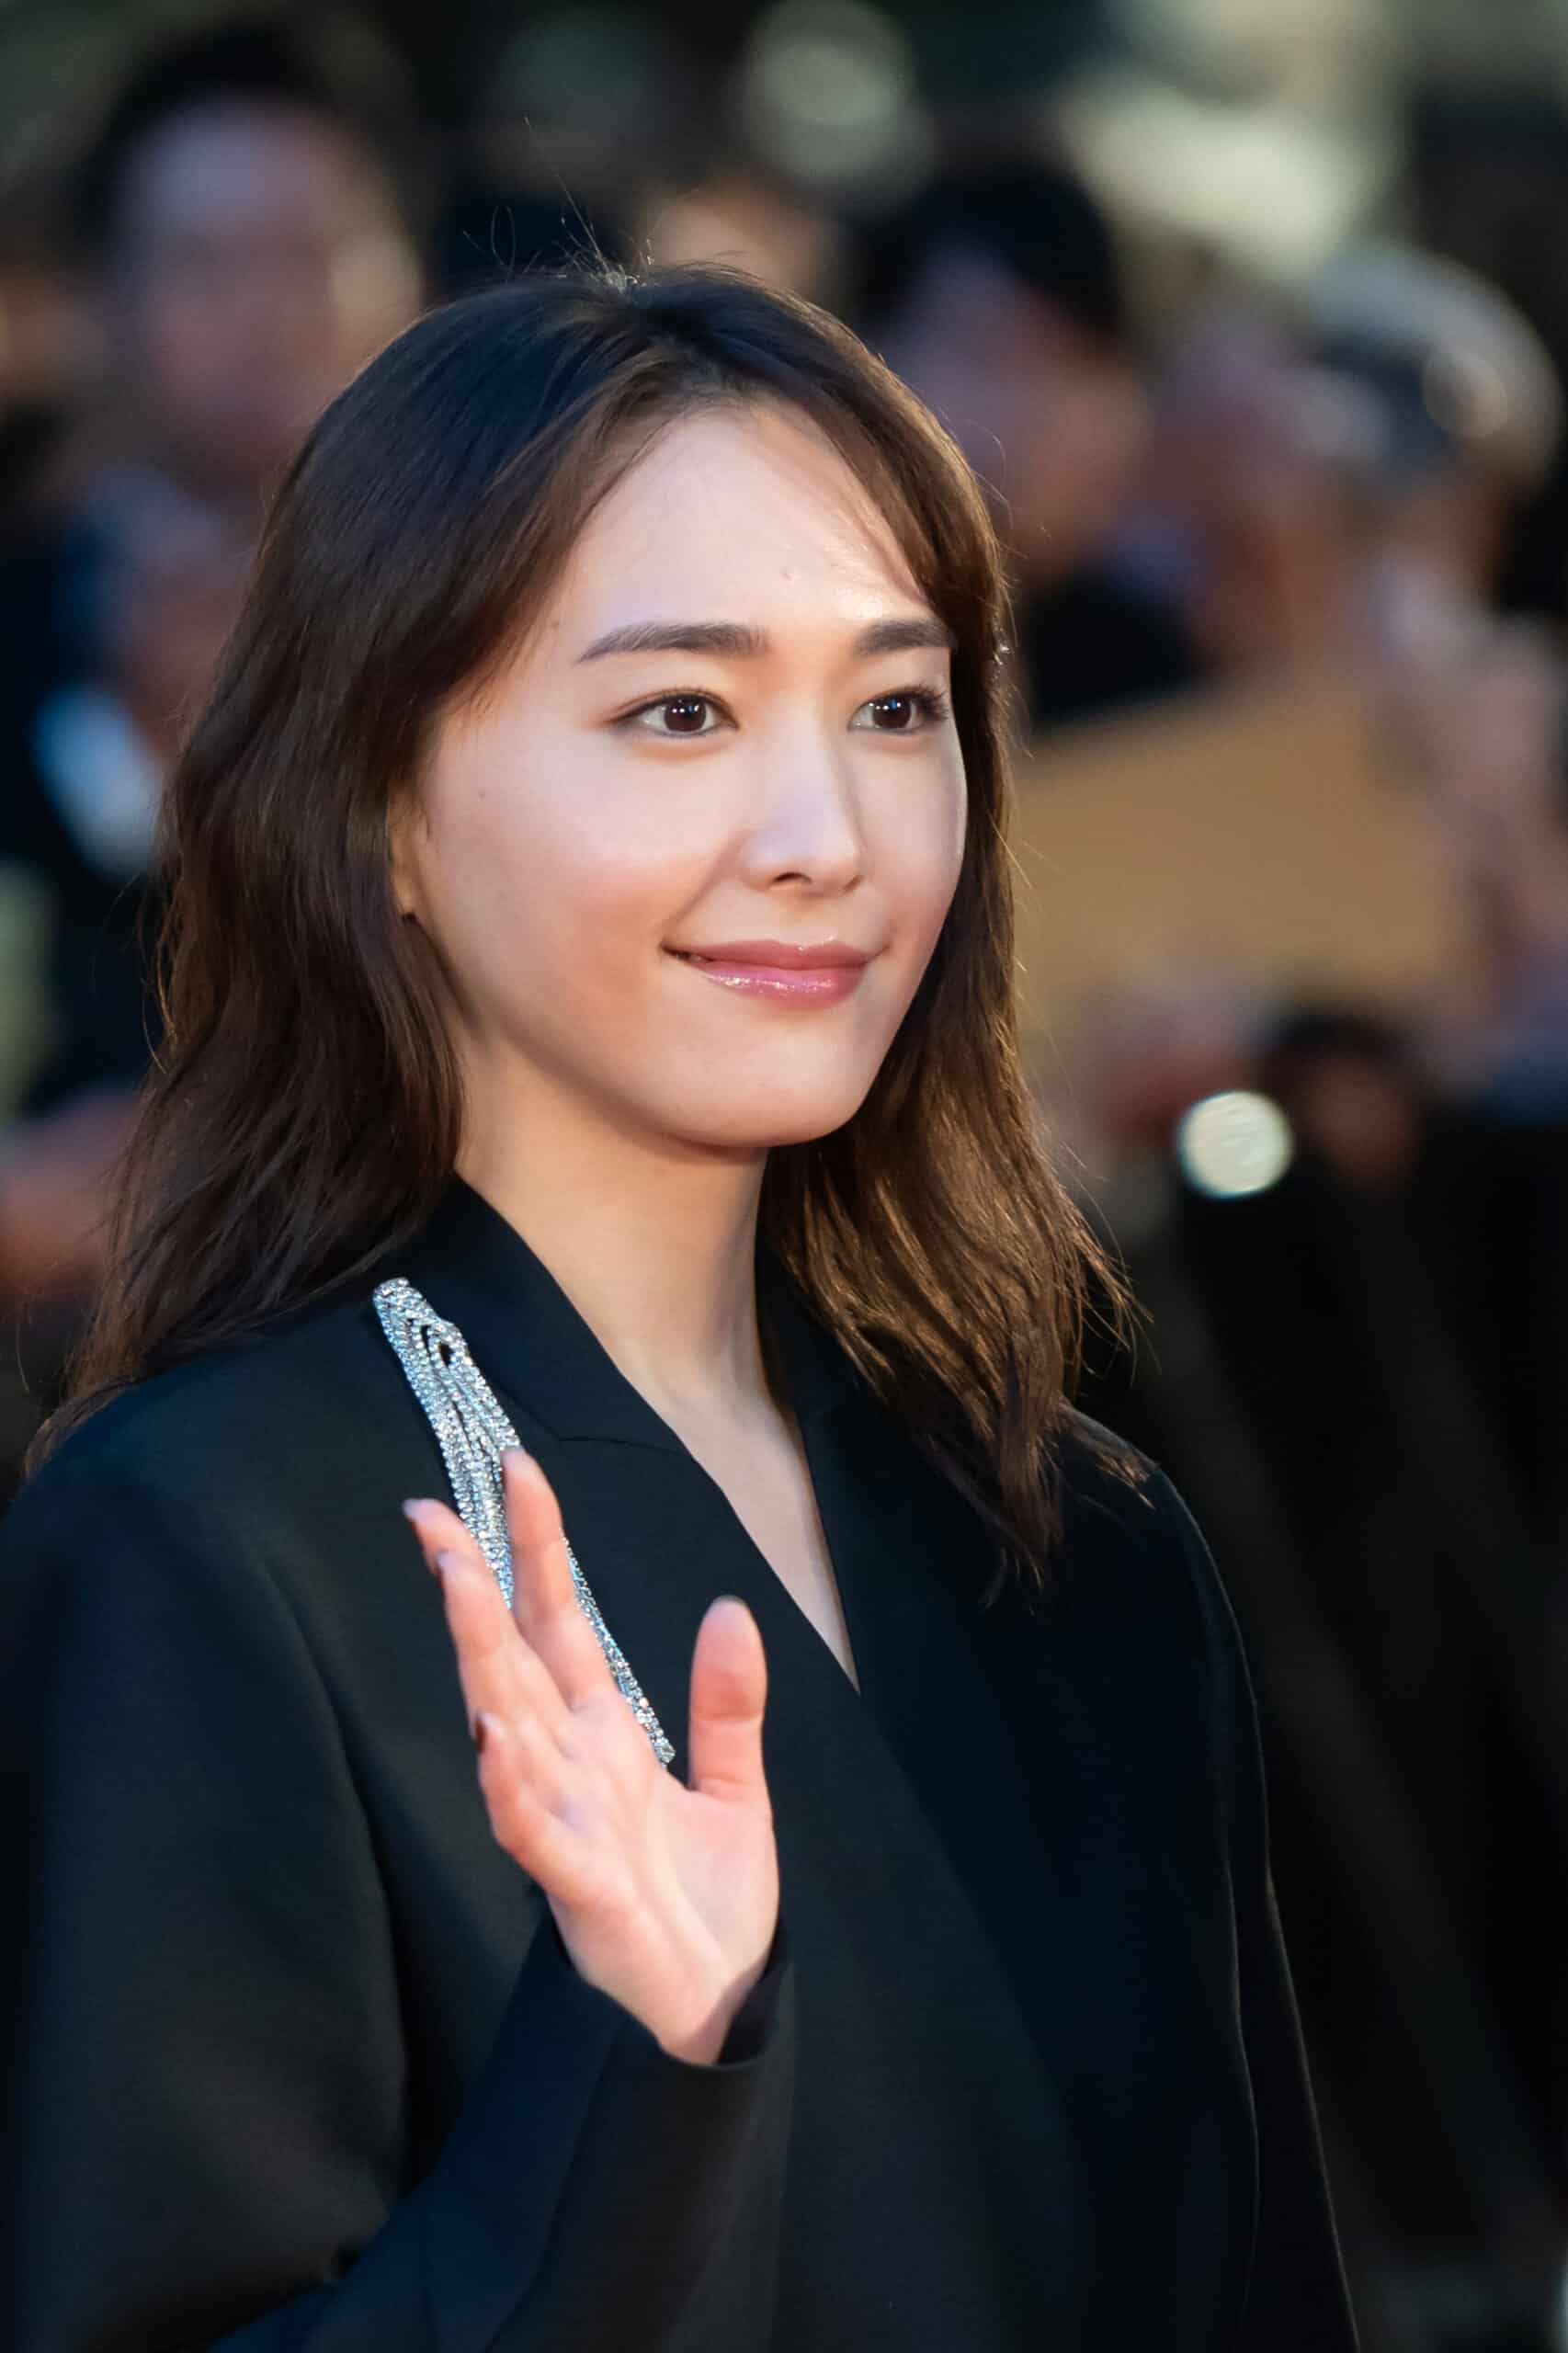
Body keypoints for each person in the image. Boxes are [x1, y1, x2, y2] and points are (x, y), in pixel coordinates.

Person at [0, 264, 1357, 2350]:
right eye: (680, 714)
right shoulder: (204, 1544)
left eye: (894, 709)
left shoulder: (1078, 1541)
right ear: (382, 810)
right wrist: (638, 2060)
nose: (826, 838)